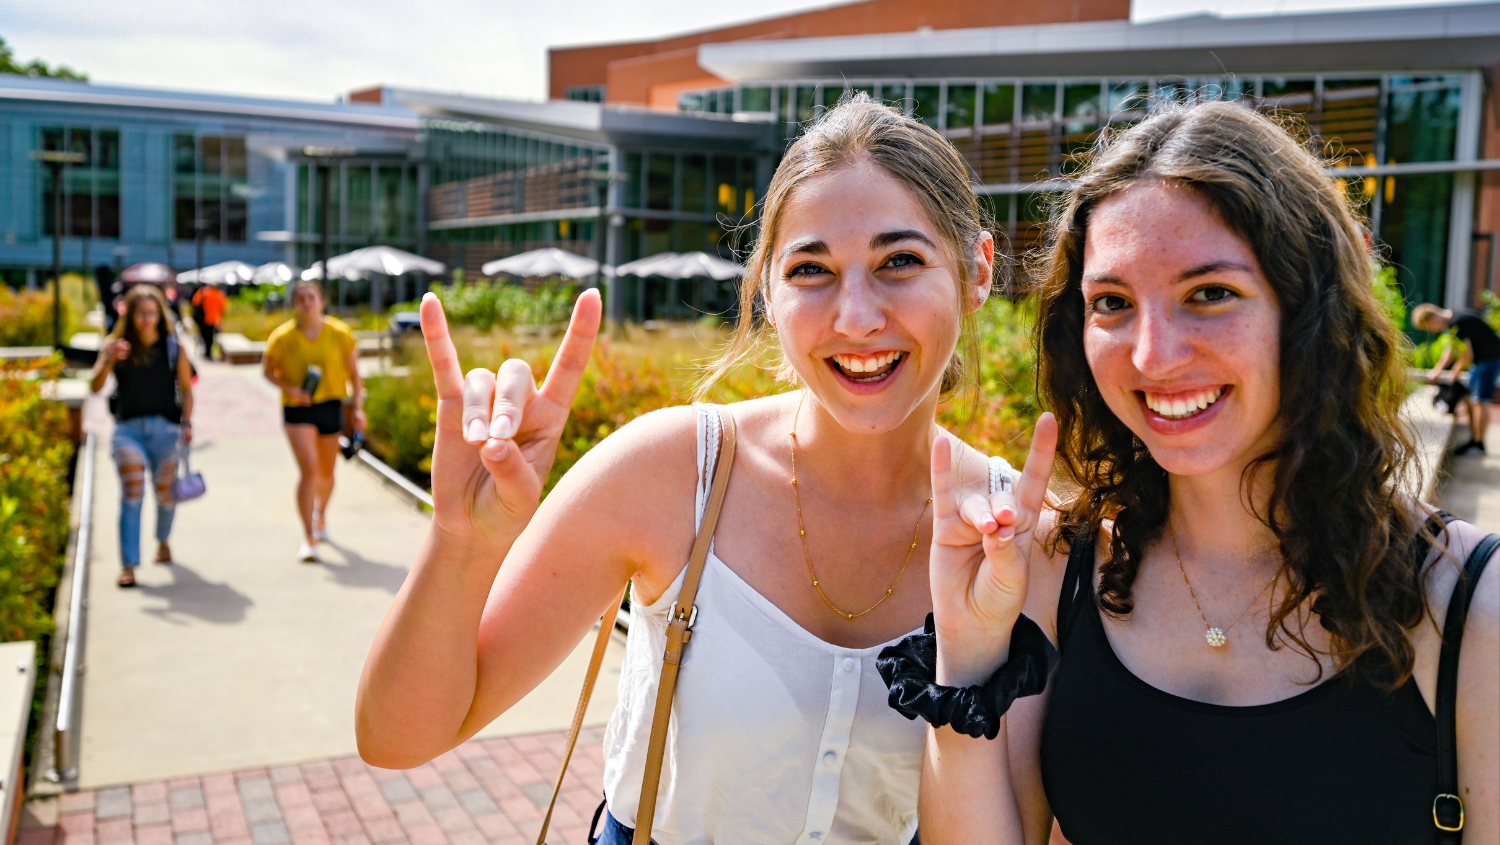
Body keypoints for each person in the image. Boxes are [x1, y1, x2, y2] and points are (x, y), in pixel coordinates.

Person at [357, 96, 1018, 844]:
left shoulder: (1016, 534)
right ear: (768, 289)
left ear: (976, 270)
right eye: (811, 269)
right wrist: (461, 540)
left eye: (899, 261)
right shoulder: (671, 472)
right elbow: (399, 737)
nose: (856, 316)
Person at [914, 101, 1497, 844]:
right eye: (1113, 303)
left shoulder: (1469, 609)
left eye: (1210, 293)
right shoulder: (1055, 568)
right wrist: (966, 653)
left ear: (1309, 301)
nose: (1153, 355)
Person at [90, 284, 195, 588]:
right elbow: (94, 388)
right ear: (130, 314)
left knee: (165, 494)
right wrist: (108, 359)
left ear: (160, 314)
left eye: (152, 313)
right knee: (132, 493)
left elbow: (187, 389)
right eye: (141, 314)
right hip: (128, 431)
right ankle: (129, 565)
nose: (147, 320)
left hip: (166, 429)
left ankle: (163, 540)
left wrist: (187, 423)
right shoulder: (116, 345)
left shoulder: (174, 347)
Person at [262, 281, 364, 563]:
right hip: (298, 409)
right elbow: (267, 371)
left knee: (327, 474)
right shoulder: (282, 337)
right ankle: (308, 537)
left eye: (312, 297)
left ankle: (321, 515)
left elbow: (355, 375)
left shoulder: (340, 333)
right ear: (295, 304)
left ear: (322, 301)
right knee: (309, 471)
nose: (307, 303)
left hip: (331, 405)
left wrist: (358, 408)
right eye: (301, 298)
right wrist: (290, 390)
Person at [1413, 302, 1500, 457]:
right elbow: (1451, 351)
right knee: (1469, 397)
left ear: (1433, 319)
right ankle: (1475, 439)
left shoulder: (1459, 322)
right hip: (1480, 361)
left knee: (1481, 400)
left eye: (1429, 328)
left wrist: (1454, 372)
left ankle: (1479, 444)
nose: (1432, 331)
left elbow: (1467, 355)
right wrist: (1438, 369)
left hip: (1490, 359)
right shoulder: (1453, 321)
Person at [192, 281, 227, 361]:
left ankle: (207, 352)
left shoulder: (203, 292)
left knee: (204, 335)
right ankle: (208, 352)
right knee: (210, 337)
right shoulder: (220, 295)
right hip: (213, 319)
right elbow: (222, 309)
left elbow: (195, 302)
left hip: (203, 319)